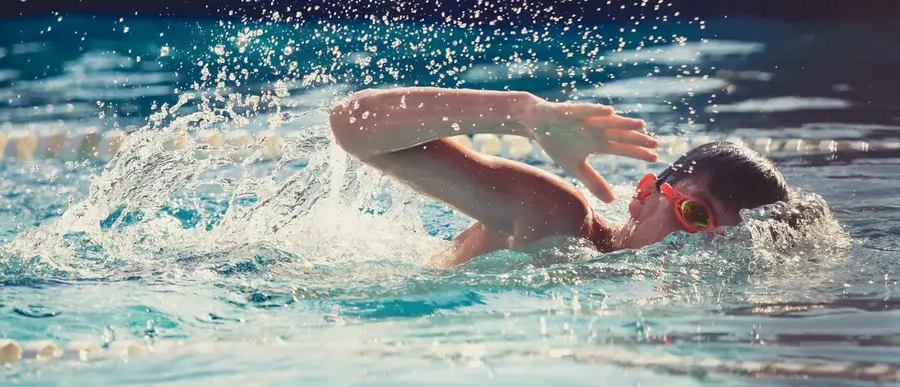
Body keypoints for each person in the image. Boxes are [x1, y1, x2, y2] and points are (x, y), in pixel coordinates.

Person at [329, 87, 790, 267]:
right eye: (695, 215)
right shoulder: (556, 217)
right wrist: (520, 114)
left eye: (724, 241)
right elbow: (353, 125)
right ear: (644, 194)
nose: (697, 249)